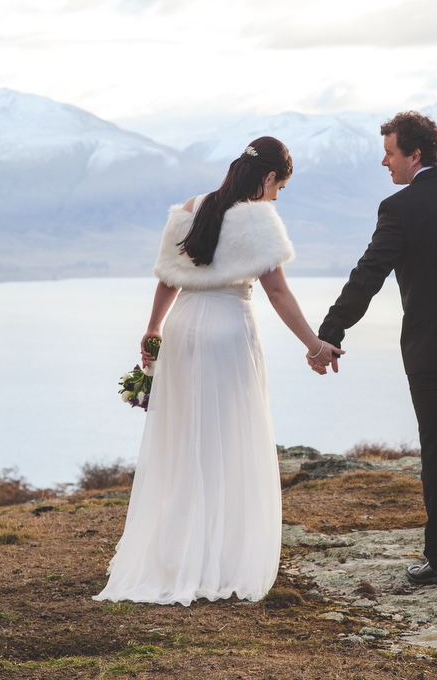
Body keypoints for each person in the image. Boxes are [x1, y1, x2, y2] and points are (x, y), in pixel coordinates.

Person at [94, 136, 342, 606]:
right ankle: (221, 559)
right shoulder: (258, 217)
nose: (276, 197)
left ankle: (173, 555)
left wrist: (152, 330)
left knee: (184, 442)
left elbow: (168, 275)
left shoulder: (193, 206)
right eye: (280, 188)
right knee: (227, 441)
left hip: (184, 328)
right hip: (228, 330)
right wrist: (315, 345)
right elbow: (278, 293)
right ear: (268, 177)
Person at [312, 111, 437, 585]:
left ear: (415, 155)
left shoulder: (399, 208)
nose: (385, 163)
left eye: (390, 153)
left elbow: (369, 275)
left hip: (436, 354)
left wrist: (331, 333)